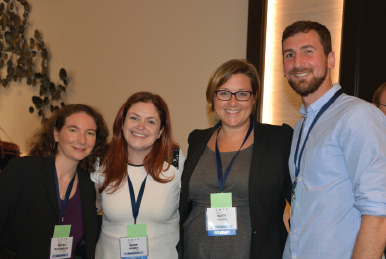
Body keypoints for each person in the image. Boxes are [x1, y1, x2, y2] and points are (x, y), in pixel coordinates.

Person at [281, 21, 386, 259]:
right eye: (290, 54)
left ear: (330, 60)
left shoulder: (357, 116)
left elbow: (379, 214)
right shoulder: (301, 126)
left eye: (308, 51)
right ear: (283, 67)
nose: (298, 63)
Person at [179, 59, 293, 259]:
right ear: (212, 98)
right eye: (223, 93)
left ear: (254, 98)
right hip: (196, 251)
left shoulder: (279, 140)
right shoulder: (197, 139)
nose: (233, 102)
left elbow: (301, 199)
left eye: (242, 94)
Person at [0, 104, 109, 259]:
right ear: (56, 134)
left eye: (90, 133)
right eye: (73, 130)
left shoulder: (88, 186)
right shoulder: (24, 170)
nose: (82, 139)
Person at [91, 92, 185, 259]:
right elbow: (93, 206)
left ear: (160, 131)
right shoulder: (102, 160)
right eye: (134, 118)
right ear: (122, 123)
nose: (141, 127)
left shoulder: (174, 160)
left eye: (150, 121)